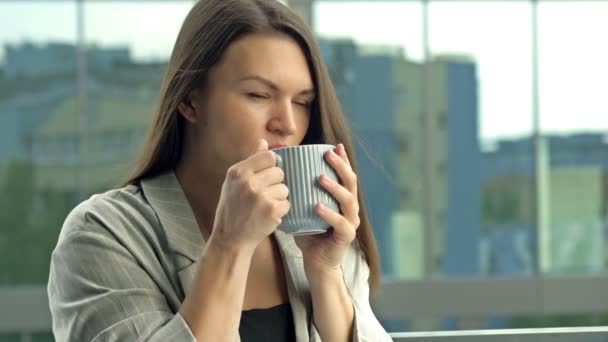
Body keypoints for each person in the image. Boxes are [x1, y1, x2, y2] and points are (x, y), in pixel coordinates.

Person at [47, 0, 392, 341]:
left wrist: (325, 271)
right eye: (258, 94)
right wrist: (229, 246)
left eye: (302, 102)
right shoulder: (102, 235)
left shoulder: (314, 230)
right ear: (189, 100)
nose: (287, 124)